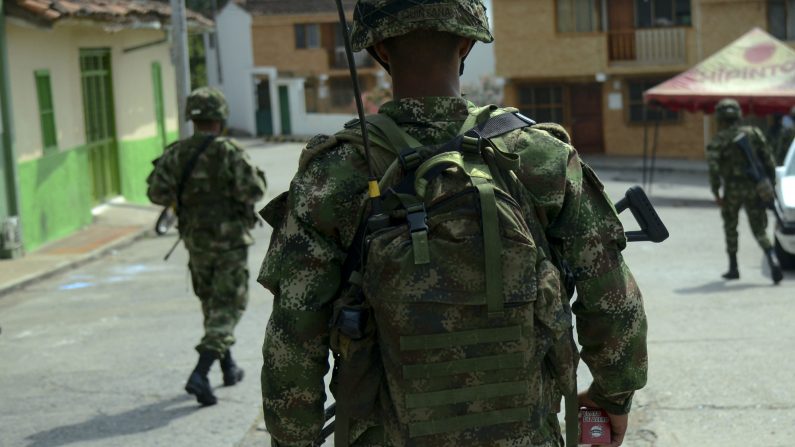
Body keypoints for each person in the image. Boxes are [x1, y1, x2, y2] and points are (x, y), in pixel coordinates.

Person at [259, 1, 647, 445]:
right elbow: (613, 300)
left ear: (380, 50)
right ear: (466, 42)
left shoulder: (334, 173)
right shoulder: (540, 157)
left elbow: (293, 336)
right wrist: (612, 396)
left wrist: (293, 439)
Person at [147, 87, 267, 406]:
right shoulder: (228, 151)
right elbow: (254, 190)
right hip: (229, 243)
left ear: (192, 118)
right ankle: (200, 373)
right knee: (229, 306)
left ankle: (228, 367)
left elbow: (156, 194)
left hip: (196, 241)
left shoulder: (176, 153)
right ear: (221, 118)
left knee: (212, 304)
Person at [706, 98, 782, 284]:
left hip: (732, 190)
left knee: (731, 227)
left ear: (720, 118)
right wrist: (770, 184)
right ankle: (772, 259)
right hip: (755, 187)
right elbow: (769, 160)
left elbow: (714, 170)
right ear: (738, 115)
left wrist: (716, 192)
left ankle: (733, 268)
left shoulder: (718, 140)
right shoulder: (753, 132)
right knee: (759, 228)